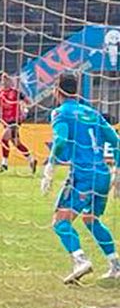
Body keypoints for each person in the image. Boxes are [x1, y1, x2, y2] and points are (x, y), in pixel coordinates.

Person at [40, 70, 120, 283]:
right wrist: (117, 172)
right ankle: (115, 265)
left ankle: (80, 260)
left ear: (57, 91)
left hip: (83, 175)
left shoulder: (60, 113)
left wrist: (50, 166)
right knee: (91, 219)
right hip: (103, 174)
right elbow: (116, 141)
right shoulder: (92, 113)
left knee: (60, 222)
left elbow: (61, 141)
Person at [0, 73, 38, 173]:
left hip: (14, 120)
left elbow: (29, 102)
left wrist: (24, 109)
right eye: (3, 81)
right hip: (5, 120)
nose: (5, 82)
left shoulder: (16, 92)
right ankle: (31, 159)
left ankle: (4, 164)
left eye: (7, 80)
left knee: (4, 138)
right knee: (16, 143)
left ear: (10, 82)